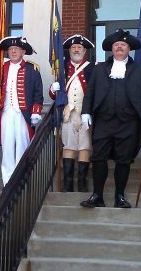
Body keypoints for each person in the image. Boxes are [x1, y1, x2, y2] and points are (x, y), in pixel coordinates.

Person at [80, 29, 141, 209]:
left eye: (123, 45)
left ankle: (119, 196)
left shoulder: (139, 70)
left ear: (129, 48)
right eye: (116, 45)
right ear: (111, 49)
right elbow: (90, 93)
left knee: (123, 160)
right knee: (99, 158)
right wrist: (86, 112)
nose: (119, 47)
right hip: (103, 121)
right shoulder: (99, 69)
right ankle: (97, 195)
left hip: (128, 123)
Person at [0, 36, 43, 186]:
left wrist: (36, 111)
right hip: (6, 111)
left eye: (16, 49)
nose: (13, 51)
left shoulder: (32, 69)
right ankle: (7, 181)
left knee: (23, 145)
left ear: (23, 52)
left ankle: (21, 179)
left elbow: (37, 92)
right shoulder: (2, 68)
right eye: (10, 49)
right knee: (7, 146)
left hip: (23, 113)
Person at [49, 34, 94, 192]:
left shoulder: (91, 68)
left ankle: (82, 182)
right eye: (74, 47)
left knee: (84, 146)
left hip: (85, 113)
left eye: (79, 48)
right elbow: (55, 95)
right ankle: (68, 182)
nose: (76, 50)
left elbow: (95, 91)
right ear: (69, 50)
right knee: (68, 145)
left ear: (84, 51)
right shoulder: (61, 68)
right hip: (68, 113)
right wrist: (53, 89)